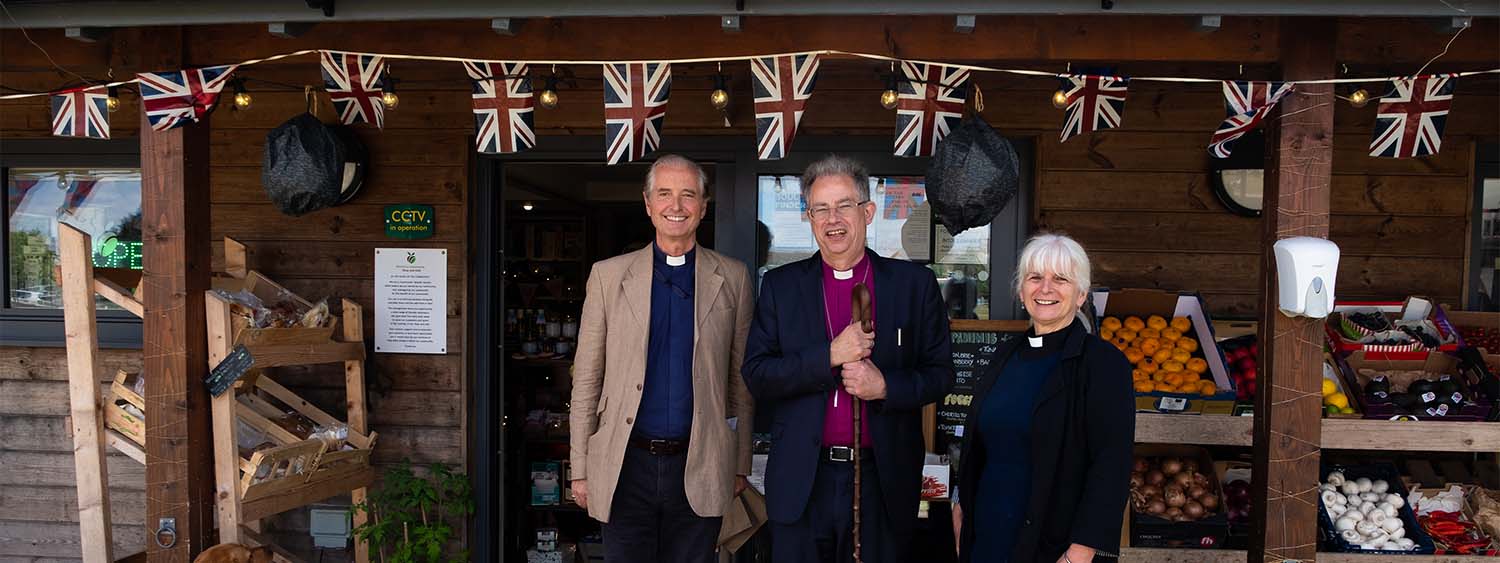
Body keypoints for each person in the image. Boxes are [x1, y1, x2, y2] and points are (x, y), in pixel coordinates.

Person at [743, 154, 953, 563]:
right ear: (808, 217)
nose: (832, 218)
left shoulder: (913, 285)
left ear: (868, 212)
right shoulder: (781, 288)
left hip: (883, 478)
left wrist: (886, 387)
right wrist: (830, 356)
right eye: (820, 208)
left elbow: (940, 374)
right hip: (804, 479)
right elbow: (758, 374)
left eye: (844, 205)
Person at [568, 154, 755, 563]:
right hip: (624, 463)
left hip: (700, 460)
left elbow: (740, 380)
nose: (676, 206)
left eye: (688, 195)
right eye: (665, 194)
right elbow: (586, 379)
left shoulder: (734, 277)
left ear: (703, 207)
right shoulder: (608, 275)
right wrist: (579, 467)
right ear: (648, 204)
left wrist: (739, 462)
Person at [951, 233, 1134, 563]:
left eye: (1060, 279)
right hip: (988, 536)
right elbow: (979, 445)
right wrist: (959, 505)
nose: (1045, 288)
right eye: (1035, 277)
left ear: (1081, 294)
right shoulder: (1004, 356)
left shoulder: (1103, 364)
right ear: (1022, 291)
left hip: (1055, 547)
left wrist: (1081, 551)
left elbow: (1111, 465)